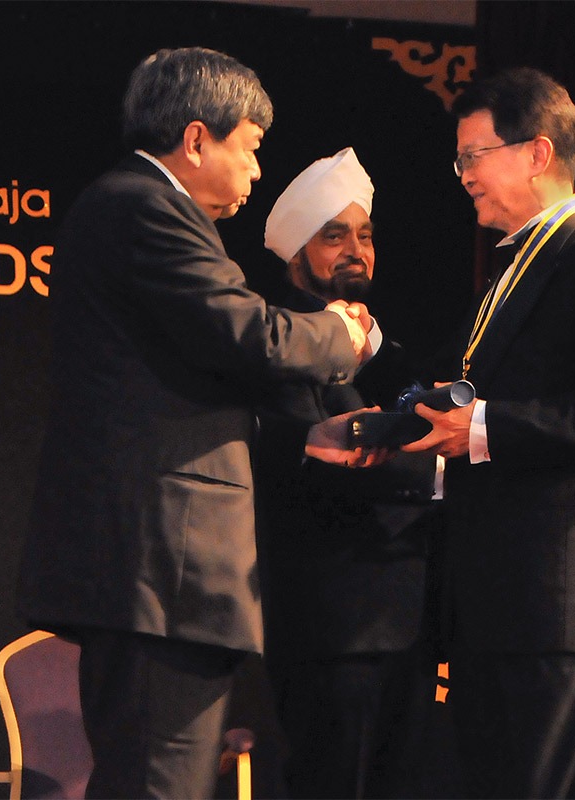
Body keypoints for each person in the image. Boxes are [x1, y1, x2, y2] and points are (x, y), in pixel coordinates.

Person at [15, 48, 379, 799]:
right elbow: (247, 334)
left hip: (157, 571)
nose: (253, 173)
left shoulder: (134, 208)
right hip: (161, 568)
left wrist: (301, 434)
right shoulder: (145, 205)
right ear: (195, 140)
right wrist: (339, 331)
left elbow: (192, 373)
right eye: (249, 150)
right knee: (160, 783)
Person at [403, 67, 575, 798]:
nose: (463, 176)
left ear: (537, 153)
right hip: (497, 598)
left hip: (556, 600)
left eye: (473, 155)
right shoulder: (510, 268)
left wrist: (484, 425)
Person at [251, 147, 451, 798]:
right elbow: (297, 460)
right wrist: (434, 474)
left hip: (410, 623)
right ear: (298, 253)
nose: (355, 250)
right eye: (334, 235)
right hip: (329, 627)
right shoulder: (280, 342)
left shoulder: (385, 352)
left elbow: (422, 419)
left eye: (364, 235)